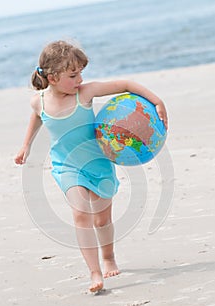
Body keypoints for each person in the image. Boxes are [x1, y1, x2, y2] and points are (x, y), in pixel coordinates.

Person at [15, 40, 168, 293]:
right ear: (52, 78)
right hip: (67, 165)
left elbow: (126, 85)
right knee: (80, 213)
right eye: (73, 75)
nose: (80, 79)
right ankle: (95, 272)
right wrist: (26, 145)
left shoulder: (85, 93)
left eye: (81, 73)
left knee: (102, 219)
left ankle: (108, 257)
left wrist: (157, 100)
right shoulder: (38, 102)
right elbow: (36, 117)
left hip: (98, 163)